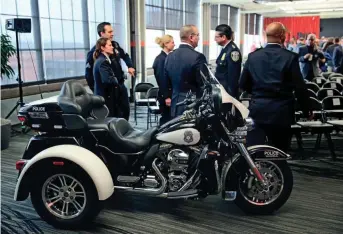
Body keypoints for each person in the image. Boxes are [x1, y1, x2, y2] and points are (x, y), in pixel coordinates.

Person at [239, 22, 312, 152]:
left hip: (258, 109)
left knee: (256, 150)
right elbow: (300, 87)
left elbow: (243, 84)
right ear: (282, 35)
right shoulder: (290, 57)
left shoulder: (253, 56)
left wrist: (258, 94)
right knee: (279, 152)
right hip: (281, 112)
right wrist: (307, 110)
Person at [86, 22, 134, 120]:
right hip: (108, 90)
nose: (112, 34)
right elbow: (89, 74)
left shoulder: (114, 46)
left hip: (119, 86)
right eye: (110, 32)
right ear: (102, 34)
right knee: (112, 116)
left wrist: (130, 66)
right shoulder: (95, 53)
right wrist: (97, 90)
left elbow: (125, 56)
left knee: (124, 112)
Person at [164, 24, 208, 118]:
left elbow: (166, 82)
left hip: (175, 103)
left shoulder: (170, 56)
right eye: (198, 35)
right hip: (192, 104)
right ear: (191, 37)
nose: (199, 38)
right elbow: (203, 83)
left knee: (176, 131)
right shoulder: (198, 57)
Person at [93, 38, 119, 117]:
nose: (112, 47)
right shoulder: (103, 61)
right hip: (105, 97)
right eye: (110, 45)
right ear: (103, 48)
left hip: (106, 96)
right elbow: (107, 80)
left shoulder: (104, 60)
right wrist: (116, 79)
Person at [214, 24, 242, 98]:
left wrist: (230, 96)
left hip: (227, 93)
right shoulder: (225, 49)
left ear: (223, 37)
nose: (215, 39)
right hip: (222, 89)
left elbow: (233, 77)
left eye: (216, 37)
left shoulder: (233, 51)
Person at [152, 35, 175, 125]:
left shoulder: (167, 58)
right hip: (166, 95)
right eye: (172, 42)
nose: (174, 44)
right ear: (166, 44)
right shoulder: (161, 60)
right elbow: (162, 80)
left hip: (170, 94)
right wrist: (167, 97)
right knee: (166, 120)